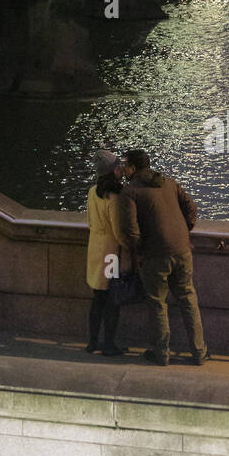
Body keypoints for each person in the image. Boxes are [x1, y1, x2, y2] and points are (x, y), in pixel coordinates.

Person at [119, 149, 209, 366]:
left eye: (125, 165)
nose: (123, 168)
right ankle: (199, 352)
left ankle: (161, 353)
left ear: (133, 168)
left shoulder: (130, 193)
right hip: (182, 250)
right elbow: (191, 207)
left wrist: (141, 250)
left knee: (157, 303)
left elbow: (130, 231)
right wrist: (184, 230)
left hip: (155, 255)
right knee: (188, 299)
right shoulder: (169, 183)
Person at [85, 150, 128, 356]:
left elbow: (91, 221)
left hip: (95, 248)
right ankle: (109, 344)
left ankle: (92, 342)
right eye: (118, 166)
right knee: (112, 300)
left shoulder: (93, 191)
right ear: (112, 171)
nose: (121, 169)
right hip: (110, 252)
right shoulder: (114, 195)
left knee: (97, 299)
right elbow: (118, 228)